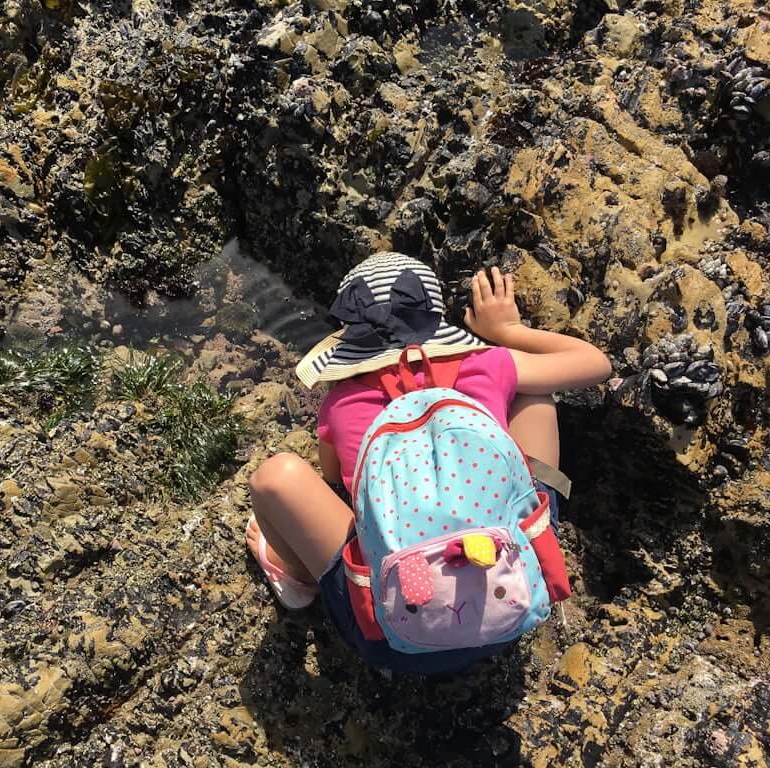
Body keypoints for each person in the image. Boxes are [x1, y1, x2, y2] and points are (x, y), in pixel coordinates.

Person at [245, 252, 611, 675]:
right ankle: (530, 534)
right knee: (535, 396)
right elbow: (596, 364)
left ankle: (296, 578)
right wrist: (509, 331)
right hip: (515, 595)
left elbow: (334, 479)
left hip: (394, 640)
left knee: (277, 476)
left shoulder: (340, 404)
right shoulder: (488, 364)